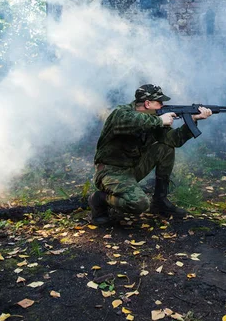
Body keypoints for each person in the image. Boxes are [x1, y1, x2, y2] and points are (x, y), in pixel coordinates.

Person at [89, 84, 212, 224]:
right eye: (159, 102)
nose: (162, 105)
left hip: (133, 169)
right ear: (147, 103)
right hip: (110, 172)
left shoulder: (154, 120)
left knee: (165, 148)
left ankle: (160, 201)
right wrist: (159, 120)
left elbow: (173, 140)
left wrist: (194, 120)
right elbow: (128, 121)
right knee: (138, 204)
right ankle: (100, 199)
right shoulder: (121, 113)